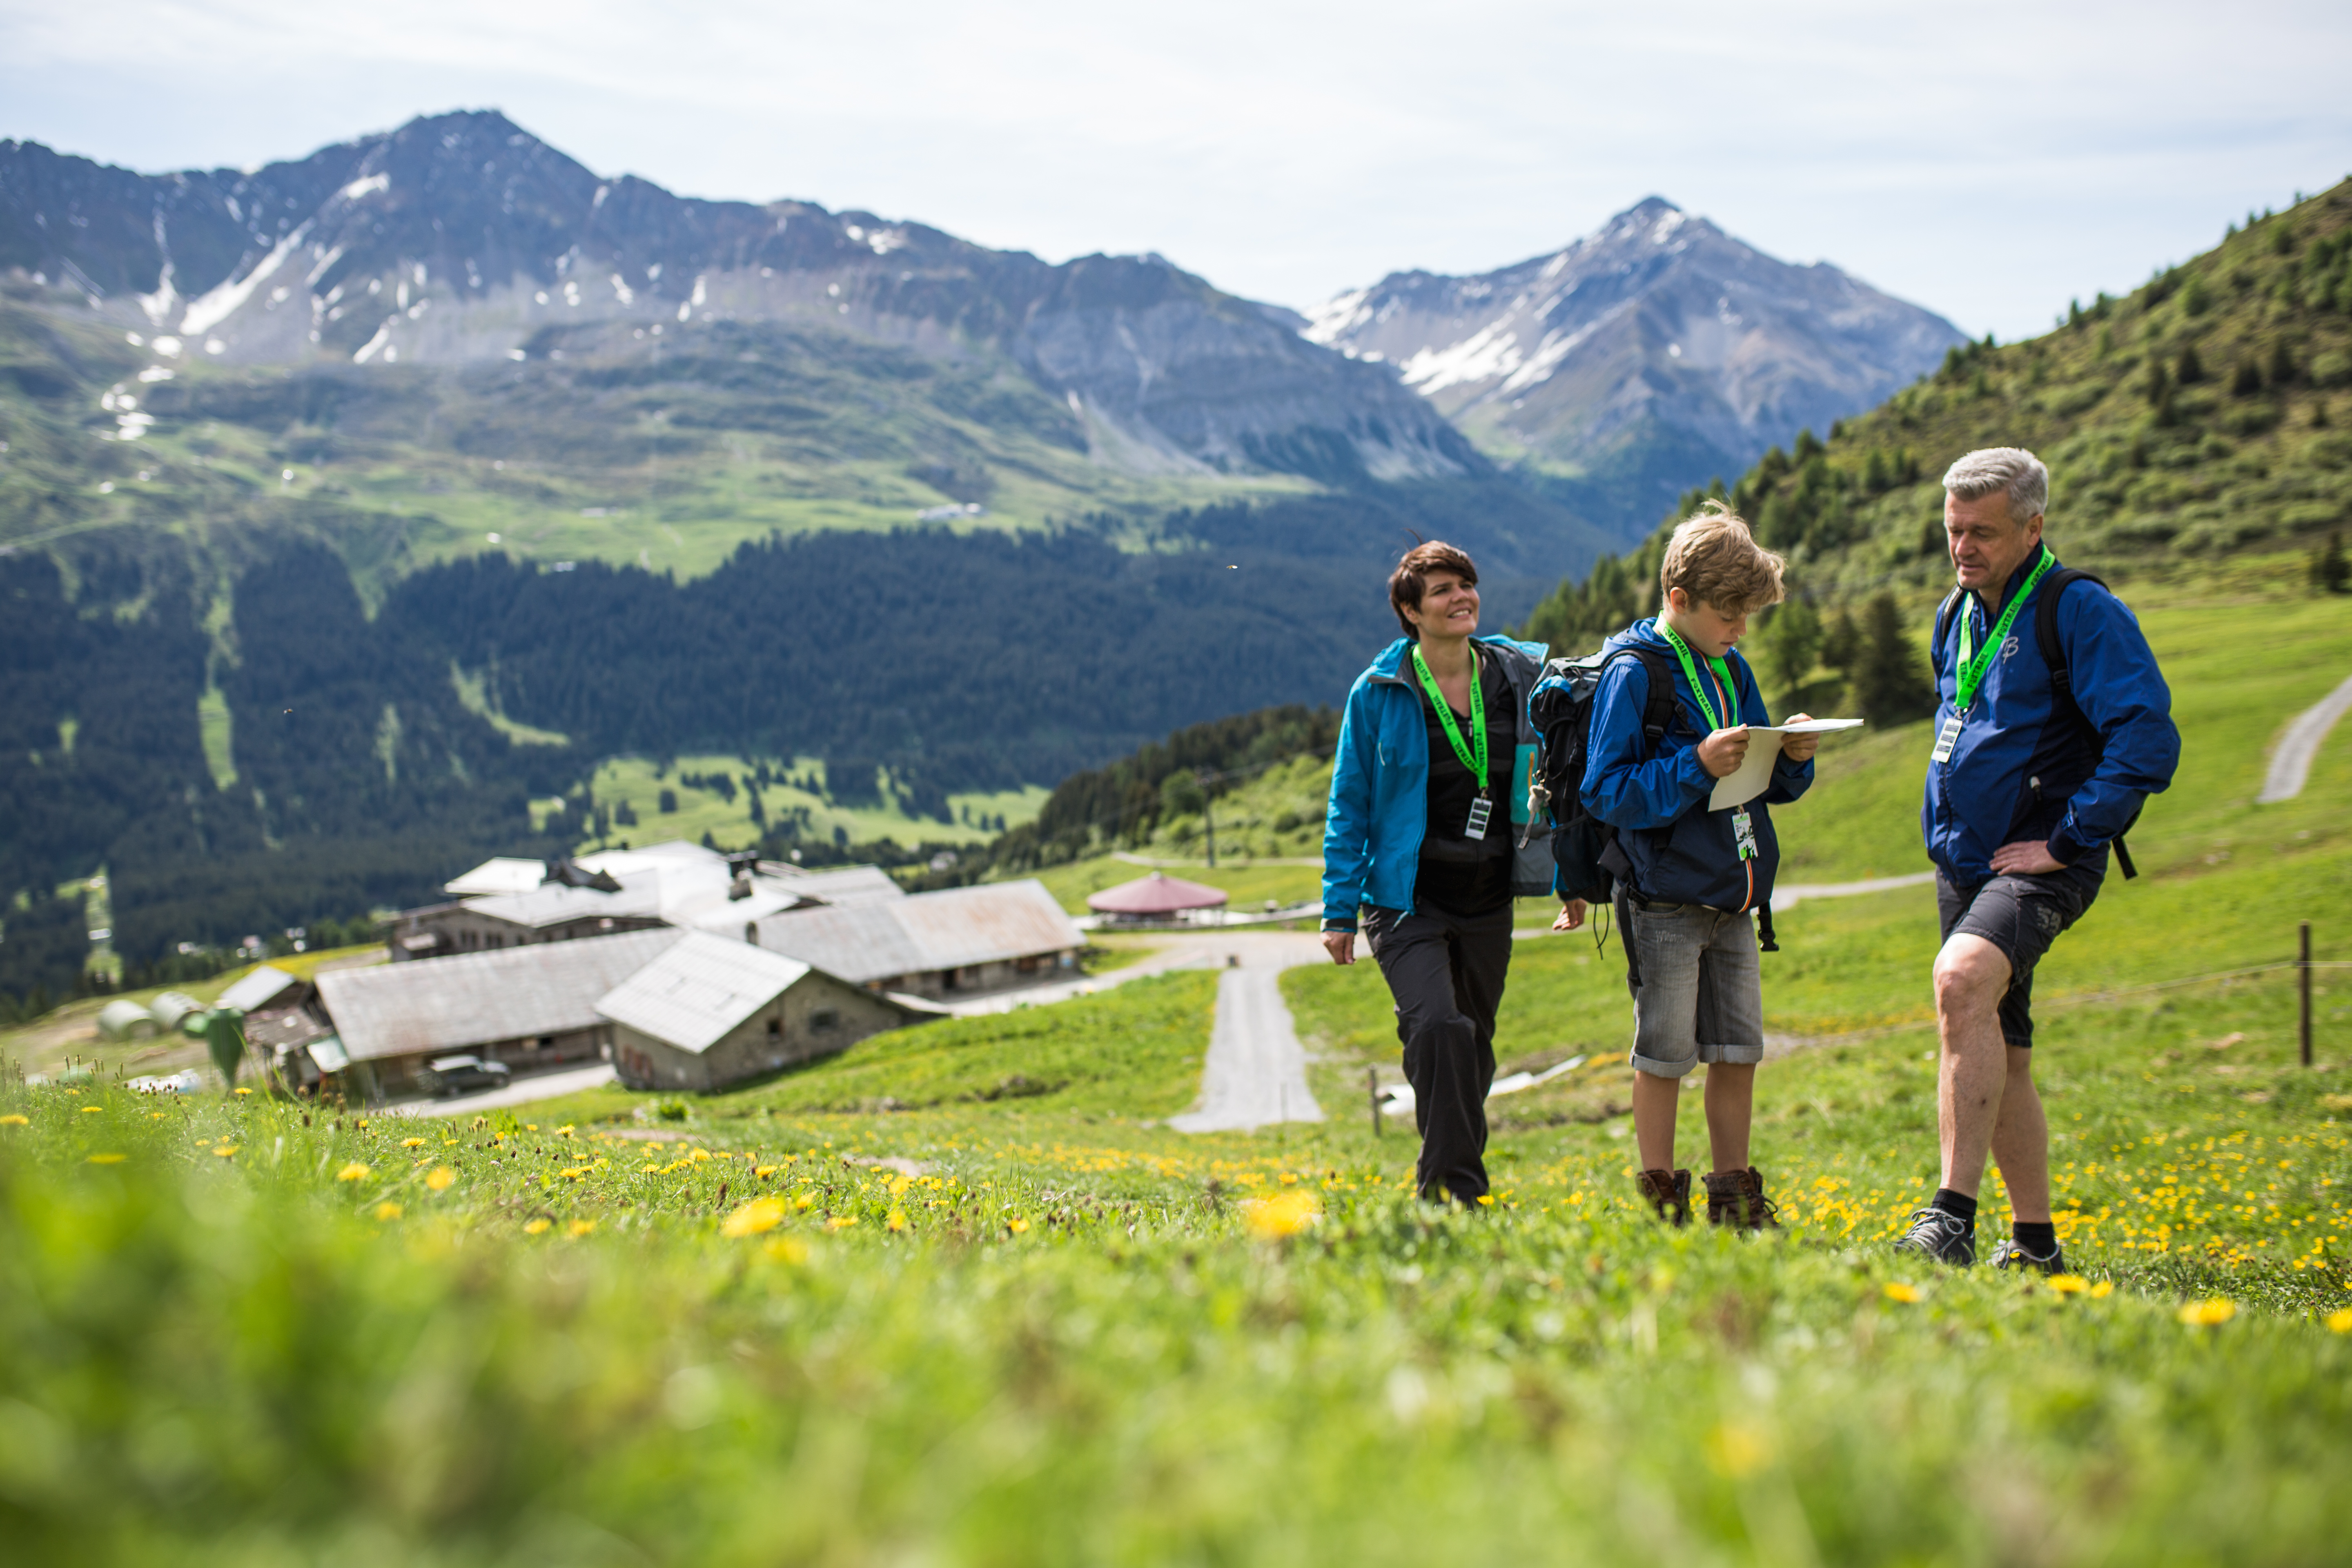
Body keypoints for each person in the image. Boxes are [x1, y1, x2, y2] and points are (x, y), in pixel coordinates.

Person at [1898, 448, 2178, 1272]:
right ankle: (2036, 1245)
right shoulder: (1958, 614)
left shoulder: (2078, 609)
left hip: (2040, 858)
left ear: (2034, 527)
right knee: (2001, 1044)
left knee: (1960, 981)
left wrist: (2066, 840)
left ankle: (1949, 1216)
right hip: (1965, 859)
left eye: (1982, 532)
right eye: (1953, 531)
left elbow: (2147, 736)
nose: (1963, 548)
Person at [1577, 503, 1818, 1228]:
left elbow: (1761, 777)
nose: (1740, 630)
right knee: (1665, 1054)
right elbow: (1606, 790)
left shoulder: (1731, 667)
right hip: (1664, 901)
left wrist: (1793, 758)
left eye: (1748, 616)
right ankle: (1660, 1200)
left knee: (1738, 1050)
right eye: (1728, 615)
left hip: (1735, 894)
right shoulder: (1634, 673)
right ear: (1678, 601)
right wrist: (1694, 763)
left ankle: (1735, 1197)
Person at [1321, 541, 1555, 1205]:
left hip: (1488, 897)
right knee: (1438, 1029)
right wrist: (1338, 911)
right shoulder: (1378, 693)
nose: (1462, 598)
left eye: (1468, 585)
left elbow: (1555, 781)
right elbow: (1350, 804)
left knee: (1472, 1048)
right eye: (1444, 590)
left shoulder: (1519, 677)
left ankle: (1449, 1182)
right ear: (1409, 611)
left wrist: (1576, 876)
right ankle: (1453, 1191)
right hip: (1406, 899)